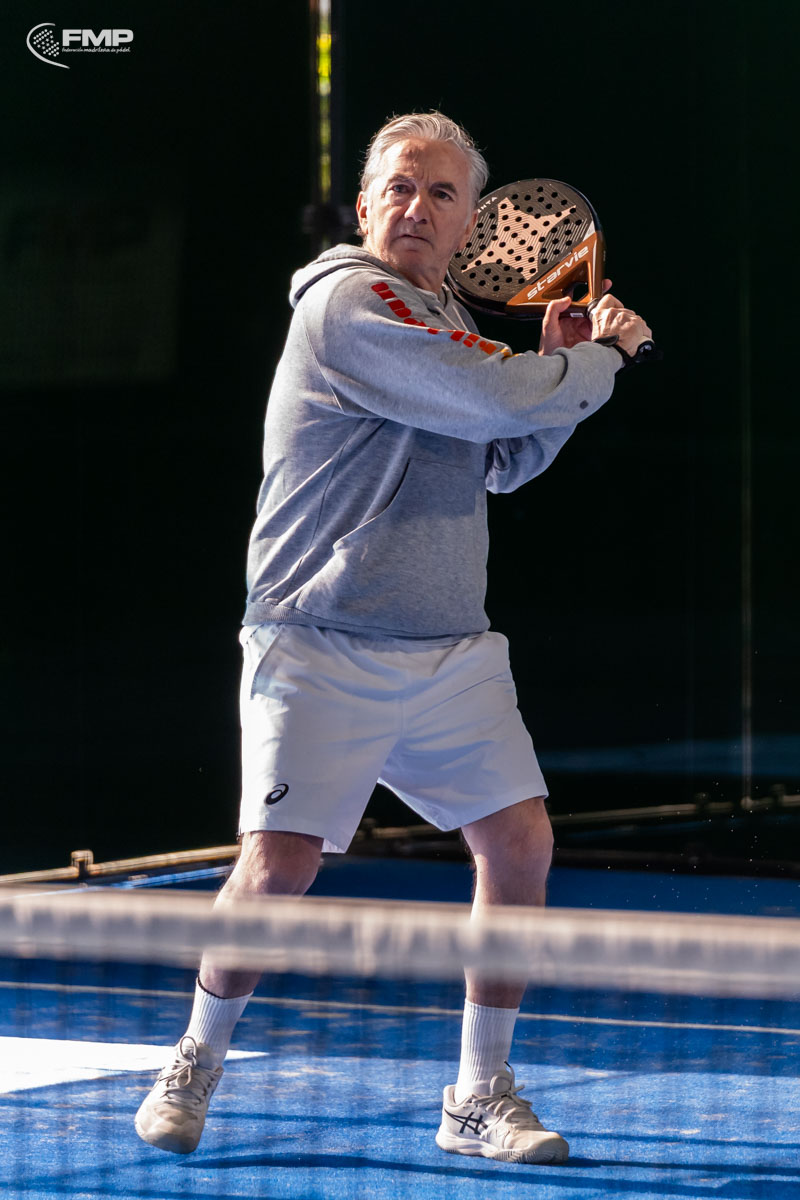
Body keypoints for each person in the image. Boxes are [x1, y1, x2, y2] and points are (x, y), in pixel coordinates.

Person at [135, 111, 652, 1163]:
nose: (417, 207)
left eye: (441, 193)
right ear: (366, 206)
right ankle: (193, 1058)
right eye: (400, 188)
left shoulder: (441, 317)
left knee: (519, 846)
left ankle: (476, 1095)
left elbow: (498, 457)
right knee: (279, 865)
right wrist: (599, 361)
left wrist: (555, 378)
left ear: (469, 224)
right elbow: (487, 397)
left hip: (448, 648)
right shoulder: (350, 303)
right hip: (319, 639)